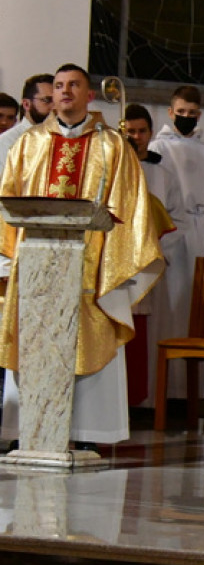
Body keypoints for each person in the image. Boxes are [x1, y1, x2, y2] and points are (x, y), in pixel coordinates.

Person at [0, 63, 164, 446]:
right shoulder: (29, 143)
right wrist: (6, 258)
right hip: (36, 266)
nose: (65, 91)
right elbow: (9, 202)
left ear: (88, 95)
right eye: (59, 85)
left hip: (91, 269)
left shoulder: (113, 146)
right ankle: (27, 430)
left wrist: (117, 266)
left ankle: (87, 431)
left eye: (73, 85)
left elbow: (130, 208)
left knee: (89, 339)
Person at [147, 86, 204, 400]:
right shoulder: (157, 148)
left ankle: (191, 393)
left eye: (191, 113)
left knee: (192, 316)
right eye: (181, 112)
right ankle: (160, 390)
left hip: (200, 238)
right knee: (167, 312)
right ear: (171, 113)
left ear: (199, 115)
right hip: (170, 236)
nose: (186, 117)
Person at [122, 103, 188, 405]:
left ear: (151, 133)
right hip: (117, 264)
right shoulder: (112, 169)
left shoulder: (163, 174)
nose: (136, 137)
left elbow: (176, 221)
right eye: (130, 131)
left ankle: (146, 400)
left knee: (148, 333)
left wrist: (156, 250)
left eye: (141, 131)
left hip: (150, 265)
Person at [0, 74, 54, 167]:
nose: (54, 107)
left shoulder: (63, 137)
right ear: (26, 104)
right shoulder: (8, 142)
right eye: (47, 100)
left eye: (57, 101)